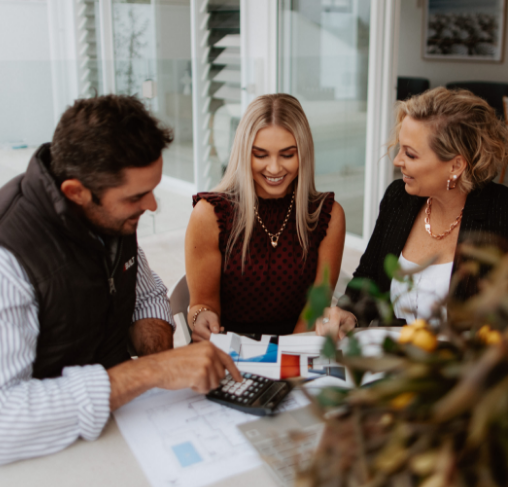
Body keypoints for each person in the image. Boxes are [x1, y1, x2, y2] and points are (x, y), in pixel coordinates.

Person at [0, 95, 241, 466]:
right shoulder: (9, 256)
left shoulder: (107, 215)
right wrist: (150, 372)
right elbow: (6, 419)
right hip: (50, 455)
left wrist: (163, 362)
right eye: (136, 196)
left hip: (127, 426)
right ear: (75, 192)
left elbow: (145, 295)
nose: (153, 206)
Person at [321, 86, 508, 337]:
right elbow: (368, 279)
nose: (397, 161)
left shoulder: (500, 214)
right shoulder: (399, 198)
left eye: (410, 154)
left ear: (456, 165)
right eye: (400, 149)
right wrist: (348, 313)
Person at [185, 93, 346, 340]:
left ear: (303, 153)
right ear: (243, 153)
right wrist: (200, 317)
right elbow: (202, 305)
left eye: (287, 154)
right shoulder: (210, 214)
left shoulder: (327, 215)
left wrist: (286, 359)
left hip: (297, 347)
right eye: (260, 155)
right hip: (229, 352)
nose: (273, 168)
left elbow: (316, 305)